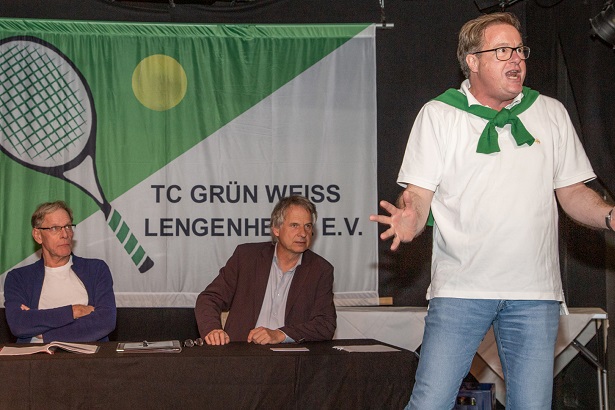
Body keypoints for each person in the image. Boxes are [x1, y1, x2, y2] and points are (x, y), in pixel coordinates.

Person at [370, 12, 614, 410]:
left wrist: (609, 216)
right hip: (462, 289)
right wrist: (409, 219)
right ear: (472, 61)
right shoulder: (439, 114)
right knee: (431, 402)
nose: (516, 58)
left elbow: (572, 192)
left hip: (535, 293)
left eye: (519, 50)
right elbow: (418, 195)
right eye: (502, 50)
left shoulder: (550, 112)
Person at [195, 195, 336, 345]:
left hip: (289, 354)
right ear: (276, 229)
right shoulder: (246, 257)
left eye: (307, 226)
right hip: (242, 351)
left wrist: (281, 334)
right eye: (294, 225)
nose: (303, 233)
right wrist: (213, 330)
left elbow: (325, 324)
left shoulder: (320, 270)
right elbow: (209, 298)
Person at [4, 201, 117, 343]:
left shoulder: (96, 270)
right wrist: (75, 311)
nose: (65, 234)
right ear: (38, 235)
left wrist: (44, 334)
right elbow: (19, 325)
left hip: (88, 356)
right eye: (55, 228)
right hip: (37, 356)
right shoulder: (19, 278)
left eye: (68, 226)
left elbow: (105, 322)